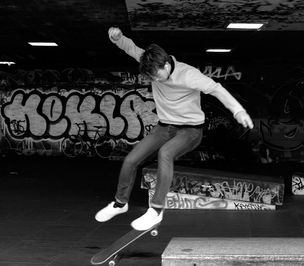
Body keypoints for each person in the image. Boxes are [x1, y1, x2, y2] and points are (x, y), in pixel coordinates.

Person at [95, 27, 254, 231]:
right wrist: (117, 38)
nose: (156, 81)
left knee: (165, 153)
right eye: (152, 78)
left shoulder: (189, 75)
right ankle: (120, 203)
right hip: (164, 127)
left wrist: (238, 111)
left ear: (167, 64)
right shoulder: (150, 61)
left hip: (190, 131)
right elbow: (131, 48)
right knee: (131, 159)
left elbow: (216, 89)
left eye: (158, 77)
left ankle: (156, 211)